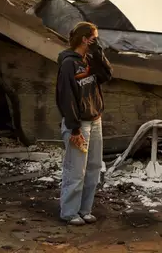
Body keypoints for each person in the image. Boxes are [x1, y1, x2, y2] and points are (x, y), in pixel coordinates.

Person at [55, 21, 113, 226]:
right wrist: (74, 128)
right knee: (76, 169)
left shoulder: (90, 59)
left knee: (94, 167)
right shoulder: (68, 64)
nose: (96, 41)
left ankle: (84, 210)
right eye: (94, 38)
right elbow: (66, 97)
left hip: (95, 120)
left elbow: (107, 75)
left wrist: (98, 52)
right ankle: (70, 212)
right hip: (79, 123)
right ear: (84, 39)